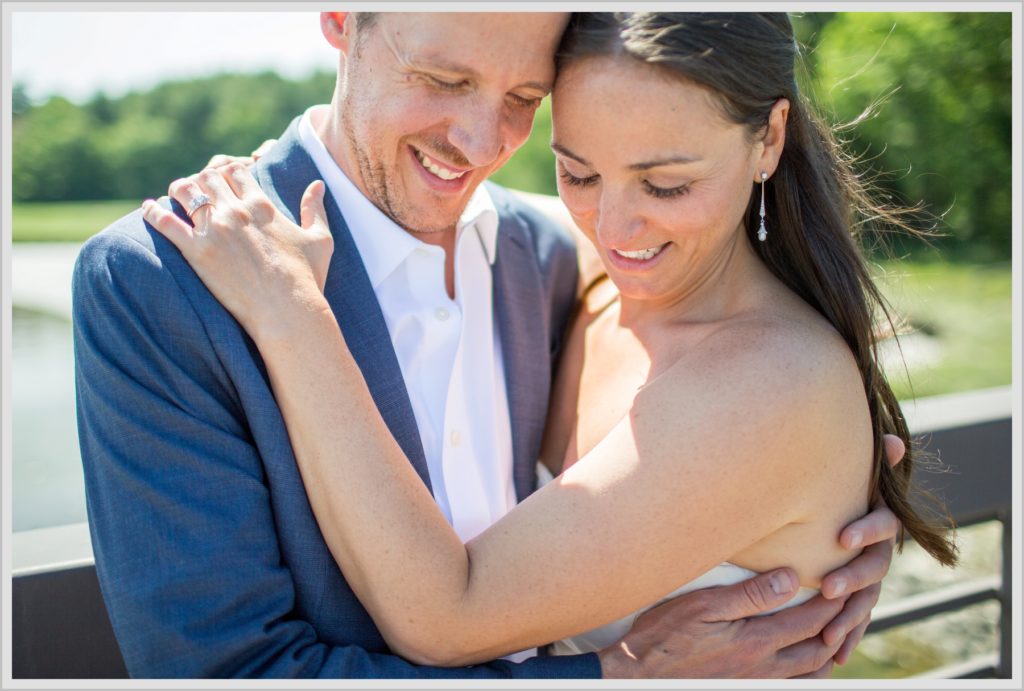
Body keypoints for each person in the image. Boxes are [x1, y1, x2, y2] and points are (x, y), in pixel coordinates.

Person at [76, 11, 902, 679]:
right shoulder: (160, 283)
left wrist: (831, 506)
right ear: (339, 19)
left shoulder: (535, 262)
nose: (478, 142)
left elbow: (754, 427)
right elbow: (228, 669)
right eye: (443, 80)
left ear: (769, 139)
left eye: (523, 97)